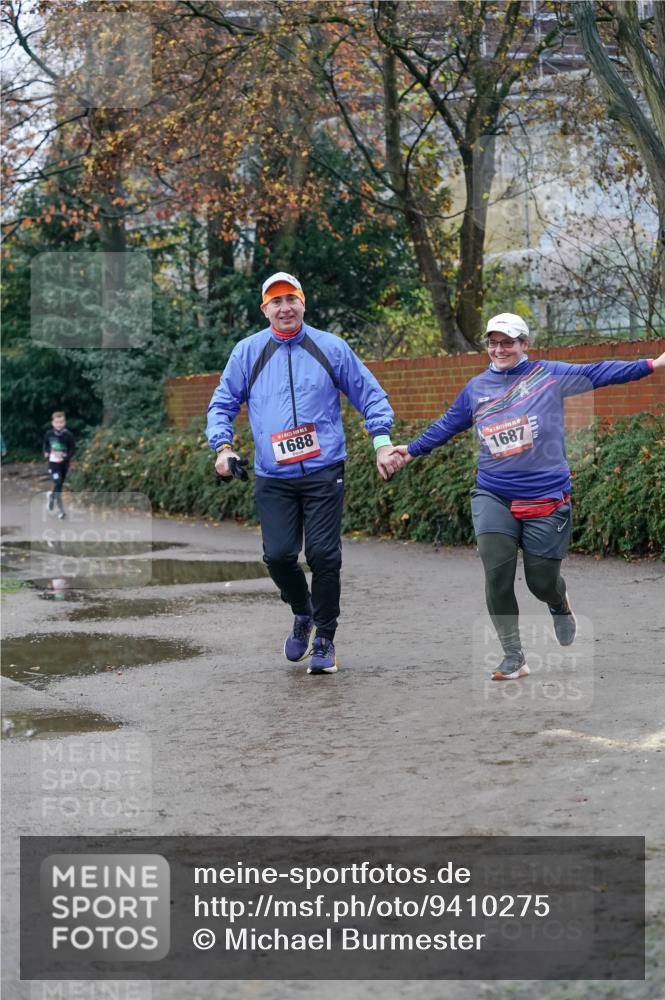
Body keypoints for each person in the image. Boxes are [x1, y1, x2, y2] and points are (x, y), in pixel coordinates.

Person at [389, 313, 665, 680]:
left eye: (508, 342)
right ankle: (513, 656)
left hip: (546, 498)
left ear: (524, 344)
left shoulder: (547, 376)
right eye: (493, 342)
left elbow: (599, 371)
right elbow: (447, 423)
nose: (499, 349)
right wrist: (409, 450)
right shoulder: (476, 388)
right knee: (497, 573)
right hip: (493, 493)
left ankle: (558, 603)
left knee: (541, 581)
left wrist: (653, 364)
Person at [206, 272, 400, 674]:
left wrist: (382, 442)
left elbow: (370, 395)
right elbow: (222, 403)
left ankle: (325, 639)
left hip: (324, 469)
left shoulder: (331, 347)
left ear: (303, 303)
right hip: (273, 475)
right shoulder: (248, 352)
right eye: (275, 302)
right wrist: (223, 447)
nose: (284, 308)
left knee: (324, 556)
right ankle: (303, 612)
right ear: (265, 310)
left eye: (291, 299)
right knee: (278, 556)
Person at [43, 411, 76, 519]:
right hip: (53, 463)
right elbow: (46, 445)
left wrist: (66, 457)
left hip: (64, 464)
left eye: (61, 422)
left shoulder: (68, 435)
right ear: (53, 423)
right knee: (57, 482)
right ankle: (61, 510)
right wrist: (46, 452)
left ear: (64, 422)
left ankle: (51, 496)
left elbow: (72, 449)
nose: (59, 424)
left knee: (59, 485)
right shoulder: (49, 434)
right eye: (57, 422)